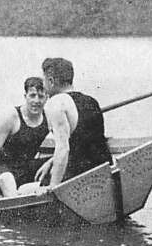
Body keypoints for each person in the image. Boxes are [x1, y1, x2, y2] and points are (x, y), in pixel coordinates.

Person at [35, 57, 112, 188]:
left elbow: (63, 148)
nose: (44, 87)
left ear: (51, 81)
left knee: (25, 187)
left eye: (44, 81)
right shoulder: (91, 101)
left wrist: (52, 188)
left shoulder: (56, 103)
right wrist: (52, 161)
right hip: (104, 172)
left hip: (80, 179)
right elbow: (84, 144)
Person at [0, 76, 49, 199]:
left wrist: (50, 162)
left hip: (24, 166)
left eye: (41, 96)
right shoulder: (10, 117)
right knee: (7, 178)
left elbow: (64, 146)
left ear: (47, 98)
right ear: (25, 96)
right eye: (32, 96)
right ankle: (16, 200)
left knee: (57, 163)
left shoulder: (49, 116)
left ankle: (27, 192)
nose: (36, 101)